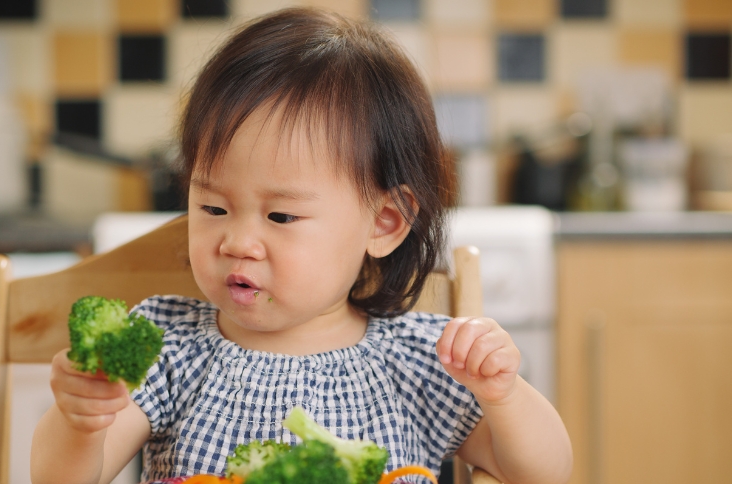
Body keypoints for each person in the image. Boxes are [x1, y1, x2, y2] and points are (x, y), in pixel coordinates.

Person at [31, 7, 572, 484]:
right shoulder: (167, 347)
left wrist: (505, 396)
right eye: (213, 208)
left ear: (384, 223)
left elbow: (542, 473)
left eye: (282, 215)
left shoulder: (419, 363)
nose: (238, 242)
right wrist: (80, 421)